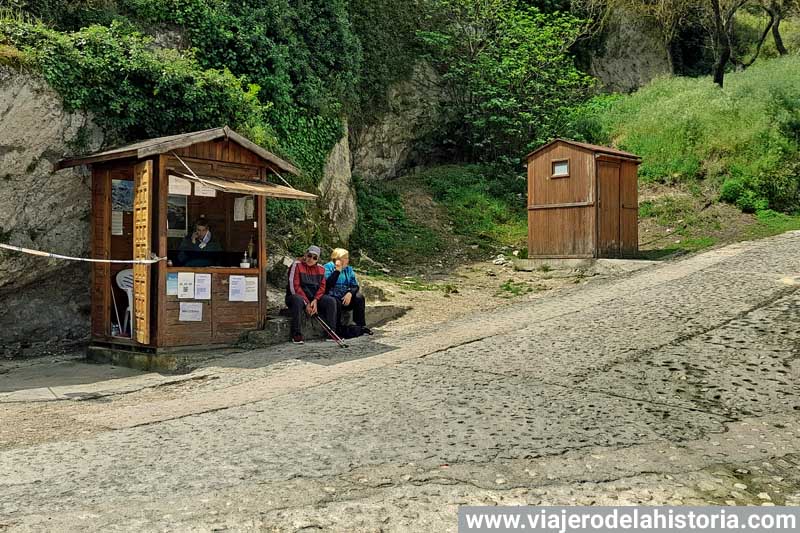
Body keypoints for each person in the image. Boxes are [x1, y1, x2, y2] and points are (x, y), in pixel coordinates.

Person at [285, 245, 337, 344]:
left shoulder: (321, 269)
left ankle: (332, 332)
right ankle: (296, 334)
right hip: (296, 296)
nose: (311, 259)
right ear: (305, 254)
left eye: (314, 258)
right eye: (309, 255)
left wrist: (316, 300)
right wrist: (307, 303)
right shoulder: (296, 265)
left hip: (313, 298)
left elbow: (322, 287)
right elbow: (294, 286)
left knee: (331, 301)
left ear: (317, 259)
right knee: (297, 299)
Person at [324, 248, 371, 337]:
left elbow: (355, 285)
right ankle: (336, 329)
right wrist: (337, 271)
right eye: (345, 258)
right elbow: (328, 285)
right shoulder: (327, 267)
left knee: (359, 297)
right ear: (338, 259)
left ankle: (360, 326)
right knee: (335, 302)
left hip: (345, 298)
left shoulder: (348, 269)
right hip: (333, 297)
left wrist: (349, 293)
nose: (347, 260)